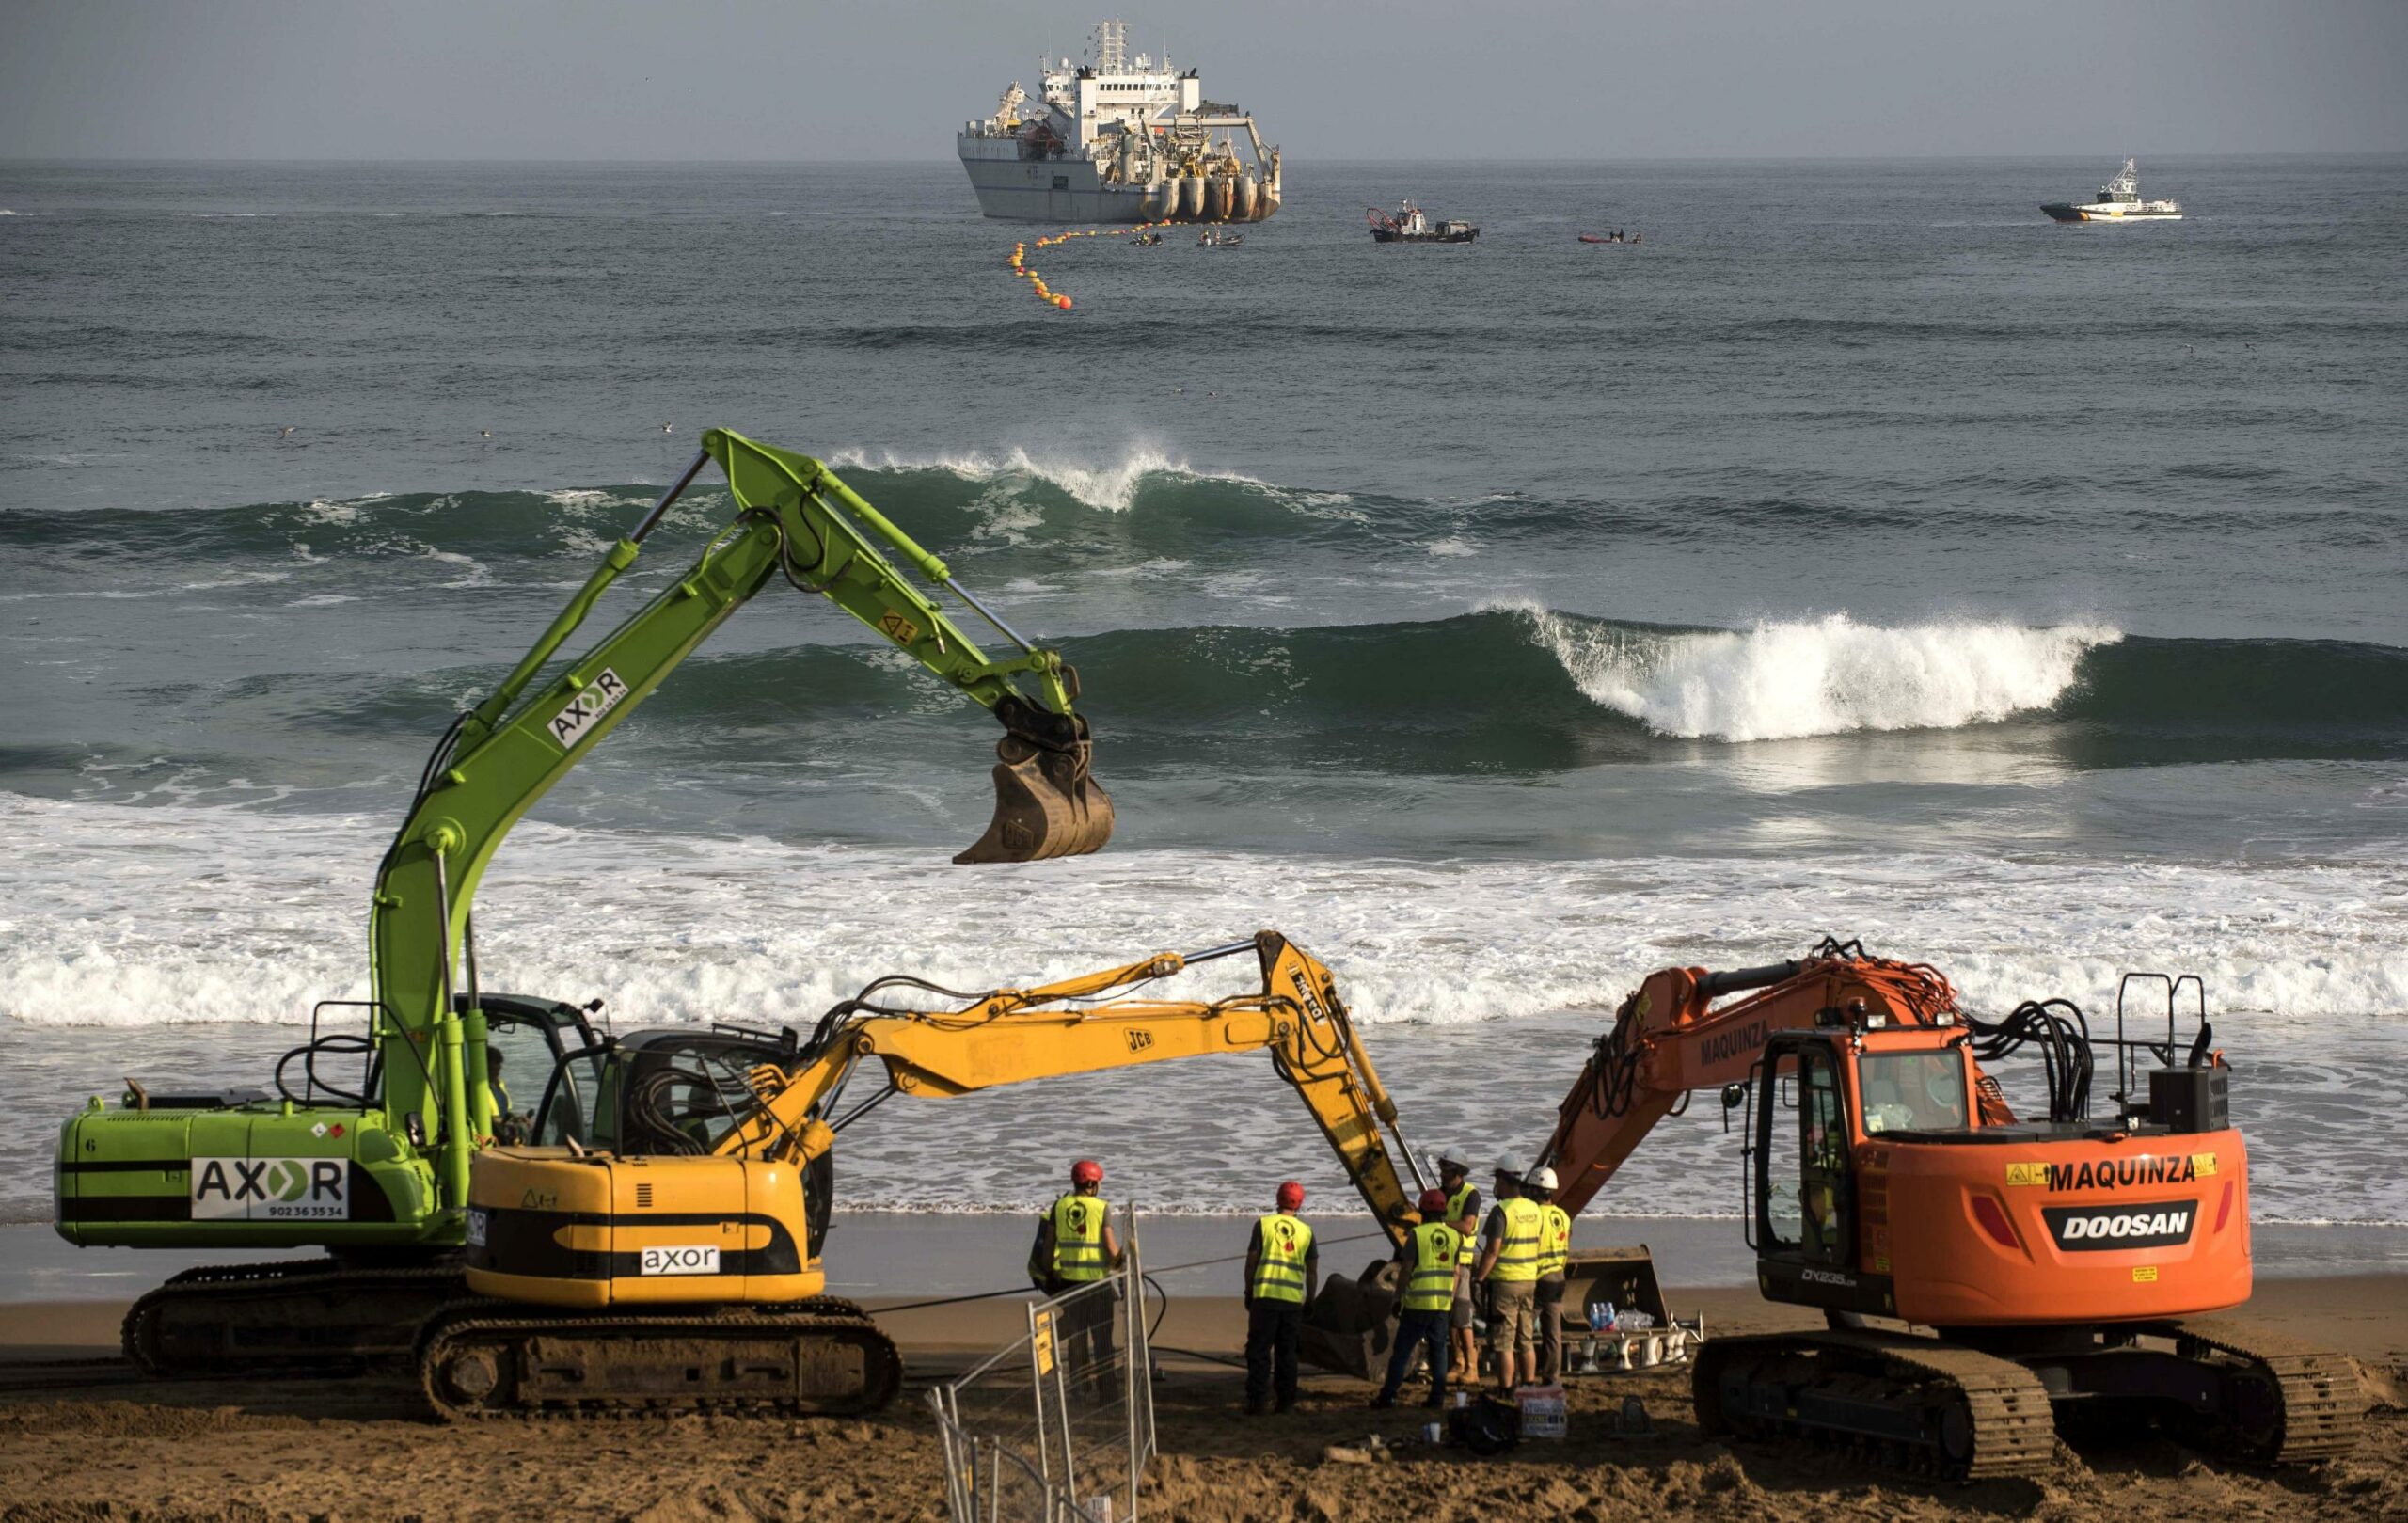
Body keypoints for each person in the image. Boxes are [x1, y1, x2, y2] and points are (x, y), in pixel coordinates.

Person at [1031, 1158, 1123, 1398]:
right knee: (1102, 1339)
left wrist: (1050, 1273)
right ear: (1092, 1183)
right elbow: (1111, 1247)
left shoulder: (1059, 1207)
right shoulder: (1101, 1208)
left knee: (1077, 1336)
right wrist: (1126, 1267)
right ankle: (1107, 1393)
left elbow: (1049, 1248)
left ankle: (1079, 1389)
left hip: (1070, 1285)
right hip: (1097, 1285)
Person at [1371, 1188, 1460, 1409]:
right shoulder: (1454, 1236)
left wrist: (1397, 1298)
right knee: (1439, 1351)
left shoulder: (1417, 1236)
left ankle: (1389, 1395)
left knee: (1402, 1352)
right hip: (1441, 1304)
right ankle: (1437, 1398)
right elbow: (1456, 1272)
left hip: (1417, 1304)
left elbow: (1406, 1270)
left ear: (1421, 1210)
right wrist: (1449, 1298)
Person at [1241, 1180, 1319, 1415]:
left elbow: (1251, 1262)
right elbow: (1312, 1271)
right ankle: (1285, 1402)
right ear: (1300, 1203)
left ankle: (1257, 1401)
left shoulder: (1263, 1225)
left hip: (1265, 1298)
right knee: (1287, 1354)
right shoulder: (1306, 1231)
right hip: (1293, 1302)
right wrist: (1311, 1299)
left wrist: (1248, 1290)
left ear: (1278, 1199)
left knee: (1259, 1351)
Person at [1472, 1152, 1542, 1393]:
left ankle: (1507, 1389)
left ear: (1502, 1180)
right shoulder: (1534, 1209)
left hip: (1506, 1283)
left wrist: (1479, 1278)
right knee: (1526, 1339)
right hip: (1529, 1280)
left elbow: (1492, 1250)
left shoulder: (1501, 1211)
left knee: (1504, 1342)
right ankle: (1529, 1385)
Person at [1434, 1149, 1481, 1385]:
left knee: (1462, 1316)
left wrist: (1441, 1221)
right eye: (1442, 1168)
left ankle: (1472, 1367)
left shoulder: (1471, 1195)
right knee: (1449, 1314)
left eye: (1447, 1170)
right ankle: (1459, 1362)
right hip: (1442, 1263)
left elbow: (1466, 1226)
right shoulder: (1441, 1193)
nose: (1442, 1173)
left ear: (1458, 1172)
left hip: (1461, 1264)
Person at [1528, 1166, 1572, 1384]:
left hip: (1539, 1278)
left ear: (1537, 1191)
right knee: (1553, 1333)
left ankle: (1525, 1373)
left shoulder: (1535, 1215)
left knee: (1524, 1331)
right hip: (1558, 1277)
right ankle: (1551, 1376)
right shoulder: (1563, 1216)